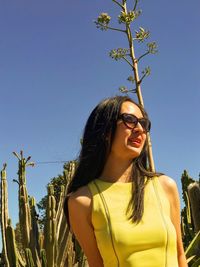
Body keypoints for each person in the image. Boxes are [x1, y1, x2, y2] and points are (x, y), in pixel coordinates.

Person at [64, 95, 188, 267]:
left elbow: (180, 256)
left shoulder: (165, 186)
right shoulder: (82, 202)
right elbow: (96, 264)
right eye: (130, 120)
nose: (140, 129)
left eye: (144, 124)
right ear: (105, 130)